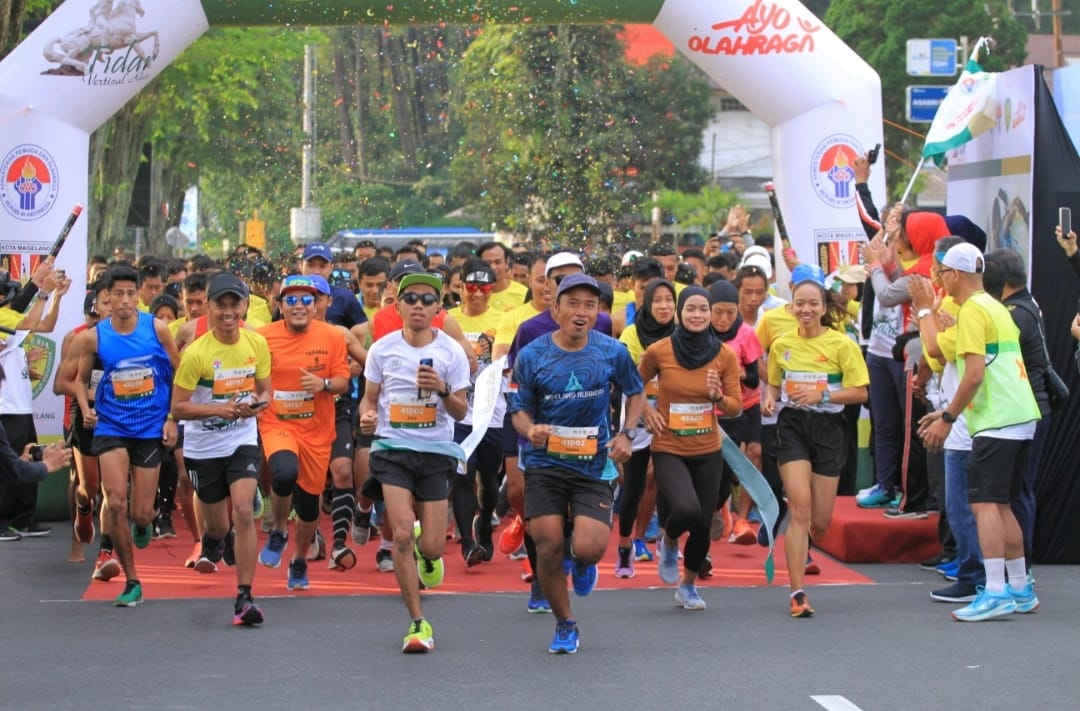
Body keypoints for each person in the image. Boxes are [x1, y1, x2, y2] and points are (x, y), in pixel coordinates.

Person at [510, 273, 644, 654]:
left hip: (592, 464)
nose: (581, 313)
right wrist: (531, 429)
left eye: (590, 305)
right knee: (548, 543)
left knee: (586, 548)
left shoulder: (611, 351)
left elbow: (636, 392)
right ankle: (565, 623)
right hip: (544, 463)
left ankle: (584, 561)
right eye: (572, 304)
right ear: (555, 309)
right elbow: (517, 411)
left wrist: (626, 434)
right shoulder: (532, 355)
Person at [918, 243, 1041, 621]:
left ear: (954, 274)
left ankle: (997, 591)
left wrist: (948, 417)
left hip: (997, 419)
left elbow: (974, 373)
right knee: (1001, 504)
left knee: (985, 504)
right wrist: (948, 411)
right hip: (1020, 415)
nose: (941, 279)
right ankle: (1020, 587)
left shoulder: (972, 310)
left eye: (943, 273)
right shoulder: (996, 307)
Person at [358, 270, 470, 653]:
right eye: (411, 299)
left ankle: (428, 545)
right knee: (401, 533)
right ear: (398, 305)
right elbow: (369, 400)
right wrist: (367, 416)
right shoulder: (382, 350)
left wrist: (440, 389)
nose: (419, 305)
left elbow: (461, 410)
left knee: (434, 547)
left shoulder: (451, 352)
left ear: (439, 307)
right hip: (393, 450)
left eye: (427, 299)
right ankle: (418, 623)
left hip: (436, 452)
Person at [761, 272, 869, 618]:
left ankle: (804, 544)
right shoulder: (781, 344)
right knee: (800, 507)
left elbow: (862, 392)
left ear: (823, 308)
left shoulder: (842, 344)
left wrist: (822, 393)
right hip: (792, 426)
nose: (805, 310)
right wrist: (769, 397)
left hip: (829, 429)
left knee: (819, 524)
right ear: (791, 306)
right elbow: (775, 385)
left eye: (813, 304)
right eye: (800, 304)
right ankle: (797, 593)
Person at [76, 264, 180, 606]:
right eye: (116, 294)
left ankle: (143, 521)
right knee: (115, 501)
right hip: (111, 426)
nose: (124, 301)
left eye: (130, 294)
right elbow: (76, 378)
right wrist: (85, 406)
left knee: (141, 513)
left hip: (150, 428)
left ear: (139, 296)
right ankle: (132, 581)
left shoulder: (158, 329)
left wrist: (171, 418)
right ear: (106, 297)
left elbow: (181, 376)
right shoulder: (95, 336)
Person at [171, 273, 271, 625]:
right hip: (203, 446)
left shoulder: (256, 344)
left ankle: (245, 596)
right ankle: (216, 538)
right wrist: (220, 408)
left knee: (244, 511)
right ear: (209, 309)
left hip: (241, 439)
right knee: (216, 525)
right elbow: (178, 408)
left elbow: (265, 393)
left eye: (235, 305)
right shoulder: (196, 354)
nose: (229, 312)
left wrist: (253, 406)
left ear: (245, 306)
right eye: (221, 305)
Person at [639, 286, 742, 609]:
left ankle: (688, 585)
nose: (697, 315)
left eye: (703, 309)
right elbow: (632, 384)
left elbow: (736, 406)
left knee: (701, 525)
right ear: (680, 313)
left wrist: (719, 399)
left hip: (708, 447)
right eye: (690, 309)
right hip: (669, 444)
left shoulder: (724, 355)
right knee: (686, 509)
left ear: (711, 314)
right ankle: (669, 541)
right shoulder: (659, 351)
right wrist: (647, 411)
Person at [256, 275, 350, 591]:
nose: (299, 306)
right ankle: (280, 530)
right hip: (277, 423)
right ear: (280, 306)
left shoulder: (333, 336)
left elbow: (343, 382)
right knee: (284, 473)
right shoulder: (263, 337)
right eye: (291, 300)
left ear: (317, 305)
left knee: (310, 504)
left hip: (316, 430)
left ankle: (298, 560)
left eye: (306, 300)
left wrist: (322, 384)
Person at [613, 278, 675, 579]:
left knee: (665, 480)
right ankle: (625, 545)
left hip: (672, 418)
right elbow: (627, 379)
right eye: (657, 300)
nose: (664, 306)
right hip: (637, 415)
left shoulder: (683, 333)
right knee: (635, 485)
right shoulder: (632, 334)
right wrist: (647, 409)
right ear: (647, 303)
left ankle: (664, 540)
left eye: (669, 300)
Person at [445, 260, 505, 565]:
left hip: (492, 412)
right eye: (471, 287)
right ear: (460, 288)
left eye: (484, 288)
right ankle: (468, 543)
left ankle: (484, 525)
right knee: (461, 478)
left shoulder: (505, 319)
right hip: (458, 413)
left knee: (489, 479)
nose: (477, 294)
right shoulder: (447, 320)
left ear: (492, 290)